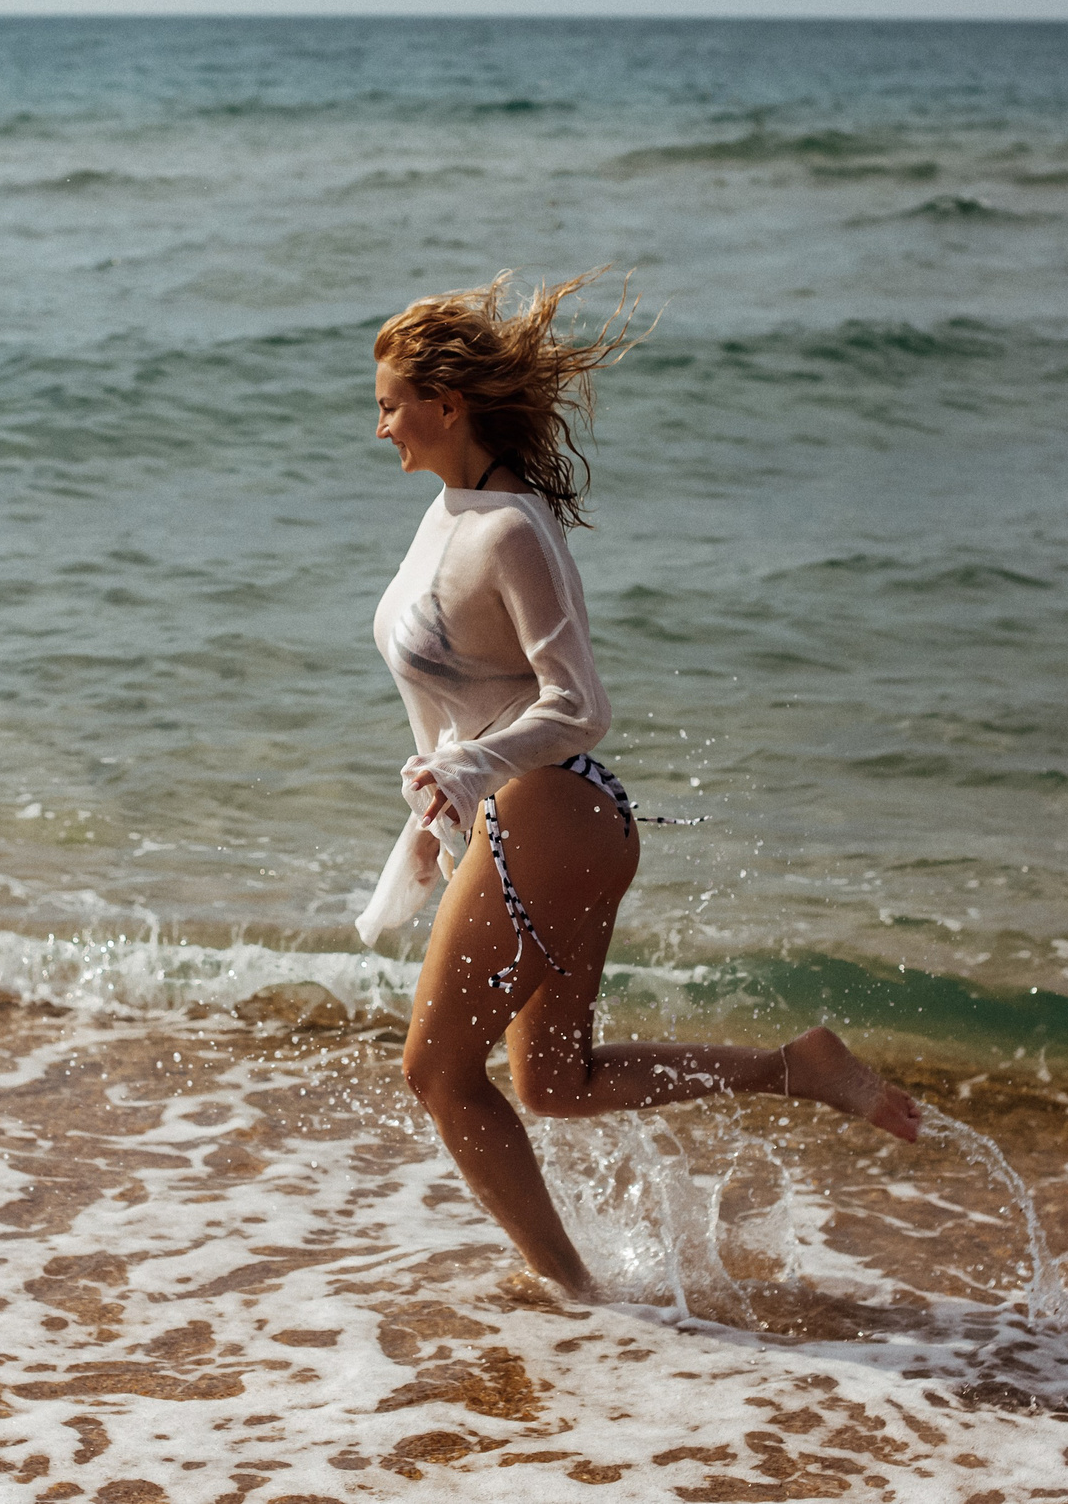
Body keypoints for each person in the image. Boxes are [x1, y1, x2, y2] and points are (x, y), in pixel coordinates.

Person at [358, 270, 922, 1303]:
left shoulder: (509, 529)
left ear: (447, 405)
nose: (379, 423)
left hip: (551, 811)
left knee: (436, 1075)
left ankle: (573, 1296)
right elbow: (471, 691)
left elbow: (579, 703)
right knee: (552, 1084)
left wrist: (472, 765)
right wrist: (444, 798)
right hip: (539, 818)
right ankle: (798, 1069)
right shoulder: (454, 512)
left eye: (390, 402)